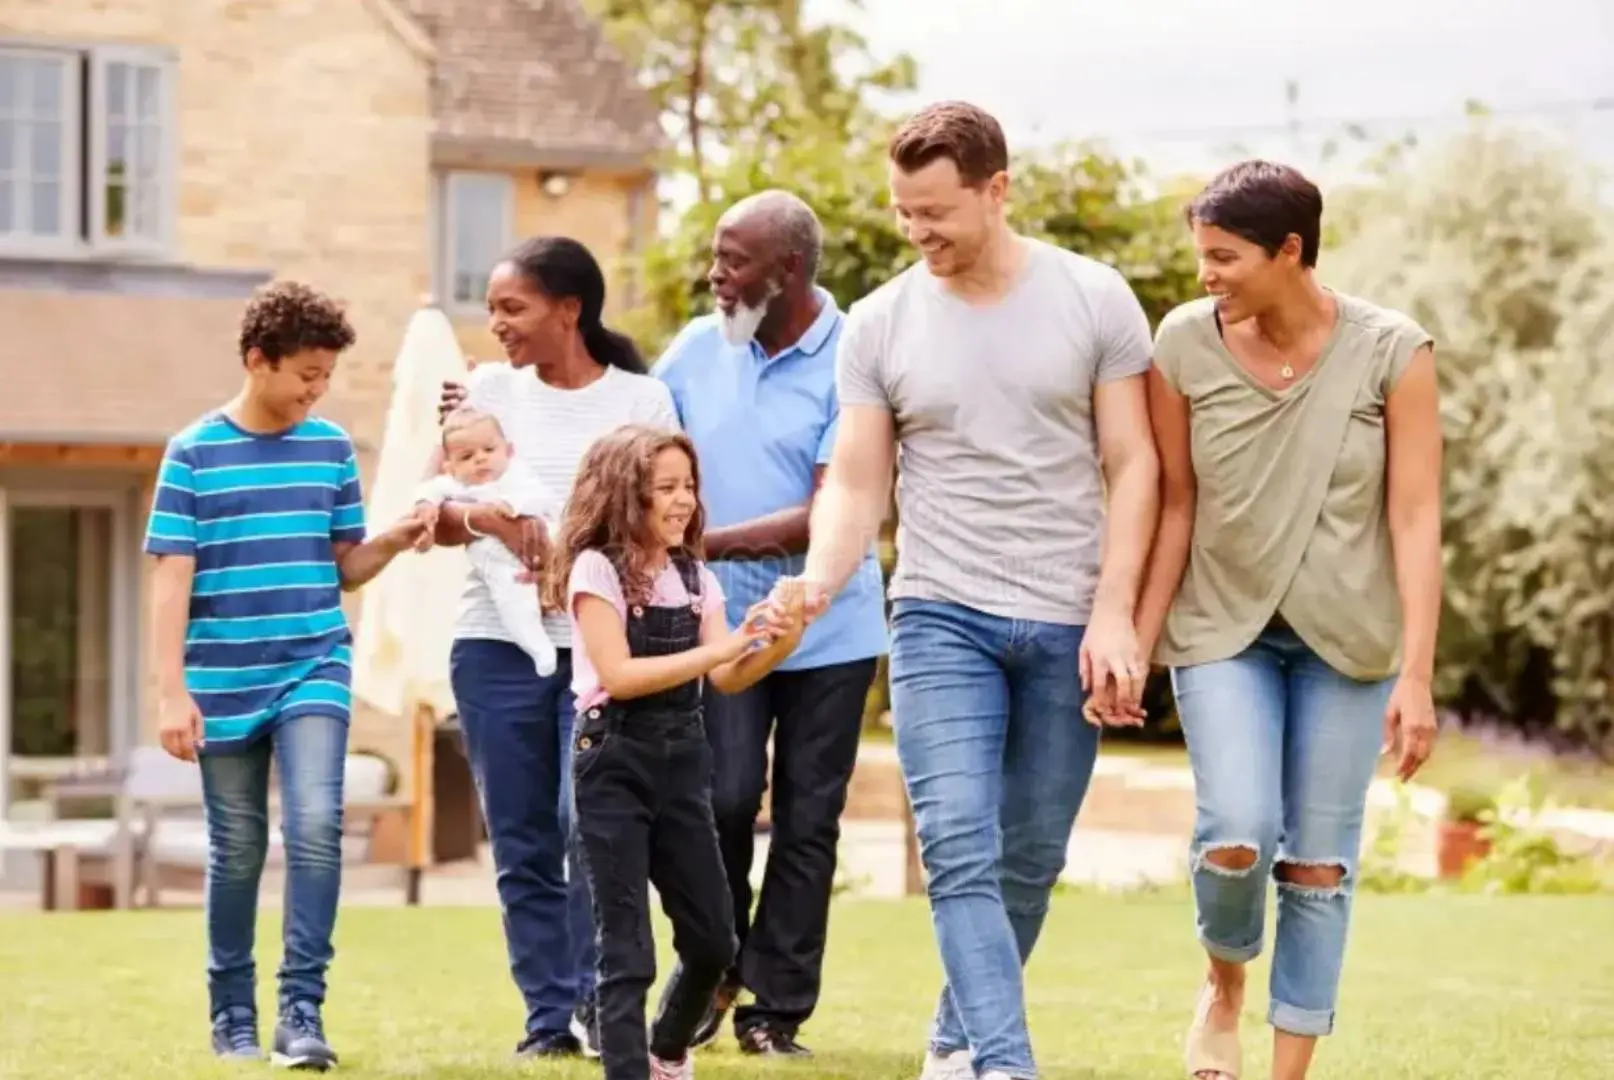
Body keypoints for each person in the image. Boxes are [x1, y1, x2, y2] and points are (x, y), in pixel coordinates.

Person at [777, 101, 1162, 1080]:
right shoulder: (880, 323)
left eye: (937, 212)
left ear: (998, 190)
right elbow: (858, 481)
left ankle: (953, 1042)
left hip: (1069, 614)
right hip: (940, 614)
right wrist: (819, 581)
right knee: (957, 848)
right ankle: (1003, 1063)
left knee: (1029, 861)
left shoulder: (1093, 297)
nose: (918, 234)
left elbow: (1135, 462)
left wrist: (1117, 610)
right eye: (905, 213)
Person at [1124, 160, 1443, 1080]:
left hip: (1348, 644)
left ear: (1290, 250)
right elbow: (1176, 501)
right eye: (1202, 256)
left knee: (1318, 867)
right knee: (1237, 831)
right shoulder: (1184, 343)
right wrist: (1138, 643)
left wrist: (1417, 676)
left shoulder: (1395, 352)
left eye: (1223, 257)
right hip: (1225, 632)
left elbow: (1416, 519)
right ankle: (1223, 985)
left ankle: (1287, 1071)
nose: (1205, 276)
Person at [144, 280, 427, 1069]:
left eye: (327, 376)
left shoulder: (331, 448)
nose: (317, 389)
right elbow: (170, 579)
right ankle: (232, 1012)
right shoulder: (193, 452)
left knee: (313, 827)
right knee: (236, 848)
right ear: (256, 360)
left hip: (313, 663)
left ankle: (301, 1012)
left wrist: (397, 539)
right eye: (305, 373)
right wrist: (172, 690)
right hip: (222, 676)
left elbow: (346, 566)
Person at [652, 190, 888, 1057]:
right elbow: (636, 450)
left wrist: (700, 537)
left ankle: (774, 1008)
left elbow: (826, 510)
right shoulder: (692, 351)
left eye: (734, 260)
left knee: (807, 817)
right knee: (718, 796)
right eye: (717, 257)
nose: (716, 275)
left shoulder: (857, 353)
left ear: (787, 270)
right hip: (722, 628)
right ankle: (714, 961)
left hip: (831, 624)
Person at [433, 236, 680, 1058]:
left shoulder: (643, 402)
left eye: (513, 307)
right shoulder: (487, 391)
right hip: (494, 646)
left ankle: (597, 1000)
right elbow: (436, 511)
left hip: (597, 648)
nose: (496, 323)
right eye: (494, 307)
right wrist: (495, 519)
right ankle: (549, 1017)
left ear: (567, 311)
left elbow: (665, 523)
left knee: (592, 828)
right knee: (522, 836)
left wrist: (575, 563)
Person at [549, 424, 804, 1080]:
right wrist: (724, 646)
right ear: (625, 495)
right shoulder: (595, 570)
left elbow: (727, 676)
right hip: (614, 761)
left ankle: (666, 1050)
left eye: (688, 485)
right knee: (626, 948)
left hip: (684, 760)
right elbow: (623, 674)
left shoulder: (693, 574)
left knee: (715, 939)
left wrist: (780, 638)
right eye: (665, 487)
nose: (683, 500)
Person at [413, 407, 558, 676]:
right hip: (499, 561)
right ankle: (537, 646)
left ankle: (553, 592)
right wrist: (426, 508)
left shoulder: (517, 475)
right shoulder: (458, 486)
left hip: (542, 540)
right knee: (513, 599)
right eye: (467, 457)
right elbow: (429, 489)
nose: (480, 460)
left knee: (562, 542)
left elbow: (542, 498)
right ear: (450, 467)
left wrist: (511, 505)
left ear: (508, 451)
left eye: (489, 450)